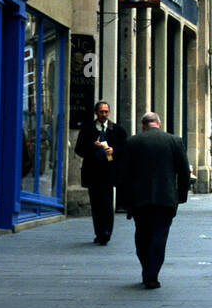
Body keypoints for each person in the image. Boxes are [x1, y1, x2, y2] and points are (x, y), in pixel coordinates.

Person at [119, 112, 189, 289]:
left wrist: (125, 200)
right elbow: (184, 172)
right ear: (160, 123)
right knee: (159, 235)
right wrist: (180, 196)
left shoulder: (133, 142)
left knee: (142, 234)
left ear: (143, 125)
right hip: (165, 199)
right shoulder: (174, 141)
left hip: (140, 199)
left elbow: (124, 173)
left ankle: (146, 268)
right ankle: (152, 274)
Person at [73, 100, 127, 245]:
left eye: (106, 112)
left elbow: (125, 148)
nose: (104, 114)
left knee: (108, 204)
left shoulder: (116, 129)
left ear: (109, 113)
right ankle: (99, 232)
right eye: (101, 112)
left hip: (109, 172)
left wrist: (113, 150)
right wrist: (92, 147)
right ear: (96, 113)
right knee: (96, 204)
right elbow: (79, 149)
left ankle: (107, 232)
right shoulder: (87, 129)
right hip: (93, 172)